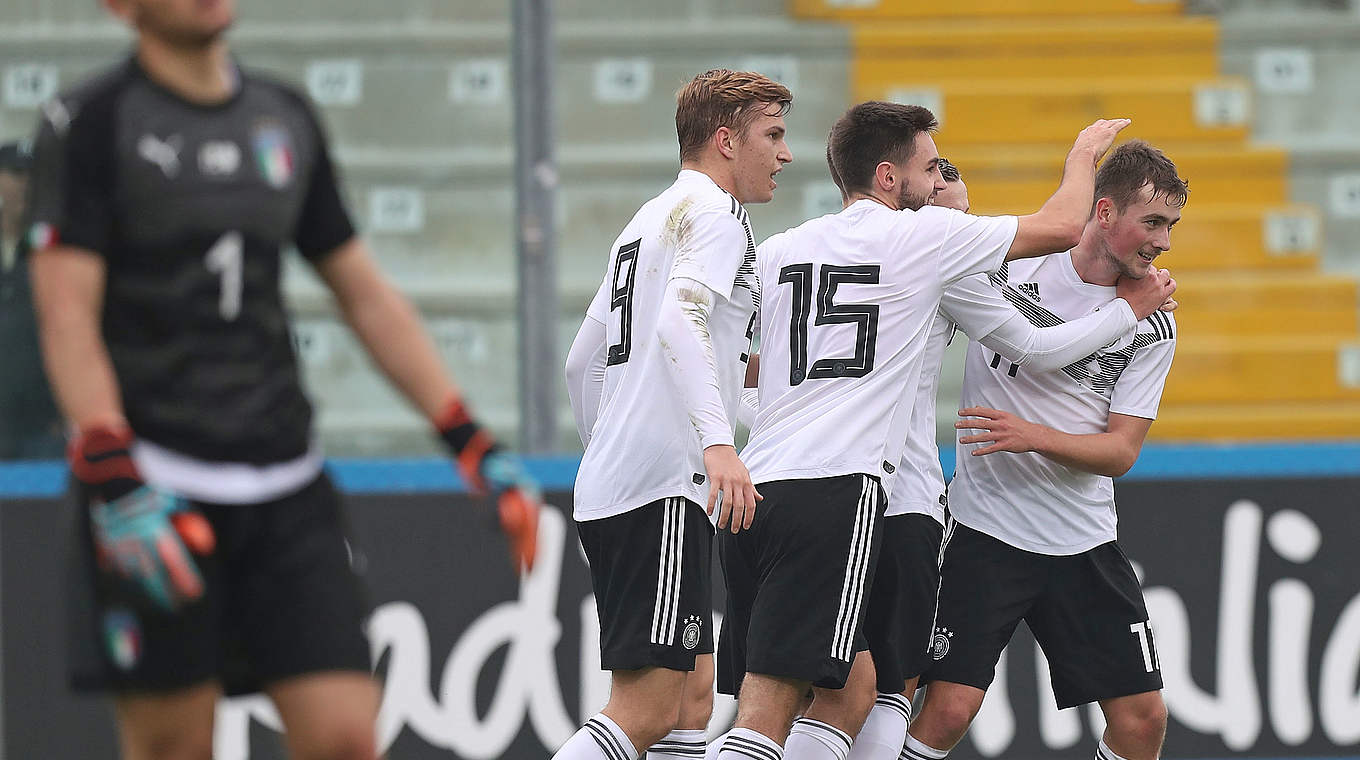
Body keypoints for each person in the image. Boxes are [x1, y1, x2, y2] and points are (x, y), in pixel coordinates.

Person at [26, 1, 540, 758]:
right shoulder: (91, 122)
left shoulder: (282, 115)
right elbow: (66, 315)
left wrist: (468, 437)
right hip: (157, 488)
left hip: (286, 485)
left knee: (344, 738)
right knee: (174, 747)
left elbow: (362, 292)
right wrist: (112, 470)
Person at [711, 102, 1129, 760]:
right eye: (930, 170)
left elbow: (734, 361)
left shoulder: (782, 250)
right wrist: (1082, 159)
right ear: (887, 176)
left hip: (759, 484)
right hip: (866, 495)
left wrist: (749, 429)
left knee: (837, 695)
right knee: (858, 700)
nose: (938, 186)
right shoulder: (925, 243)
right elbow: (1051, 274)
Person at [839, 156, 1176, 760]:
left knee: (1143, 720)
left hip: (1083, 540)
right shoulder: (1010, 266)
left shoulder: (1153, 325)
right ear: (1105, 211)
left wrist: (1035, 436)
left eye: (1171, 225)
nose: (1163, 242)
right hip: (984, 530)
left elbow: (1122, 451)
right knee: (945, 710)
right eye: (1152, 222)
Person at [558, 68, 793, 760]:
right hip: (660, 485)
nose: (785, 153)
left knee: (692, 697)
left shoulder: (648, 218)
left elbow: (583, 361)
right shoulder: (717, 219)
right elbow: (680, 323)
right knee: (649, 707)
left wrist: (608, 452)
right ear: (726, 141)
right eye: (772, 135)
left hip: (628, 481)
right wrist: (718, 445)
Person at [0, 139, 63, 459]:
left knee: (37, 504)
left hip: (41, 423)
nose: (24, 184)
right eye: (14, 173)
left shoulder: (54, 250)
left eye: (32, 174)